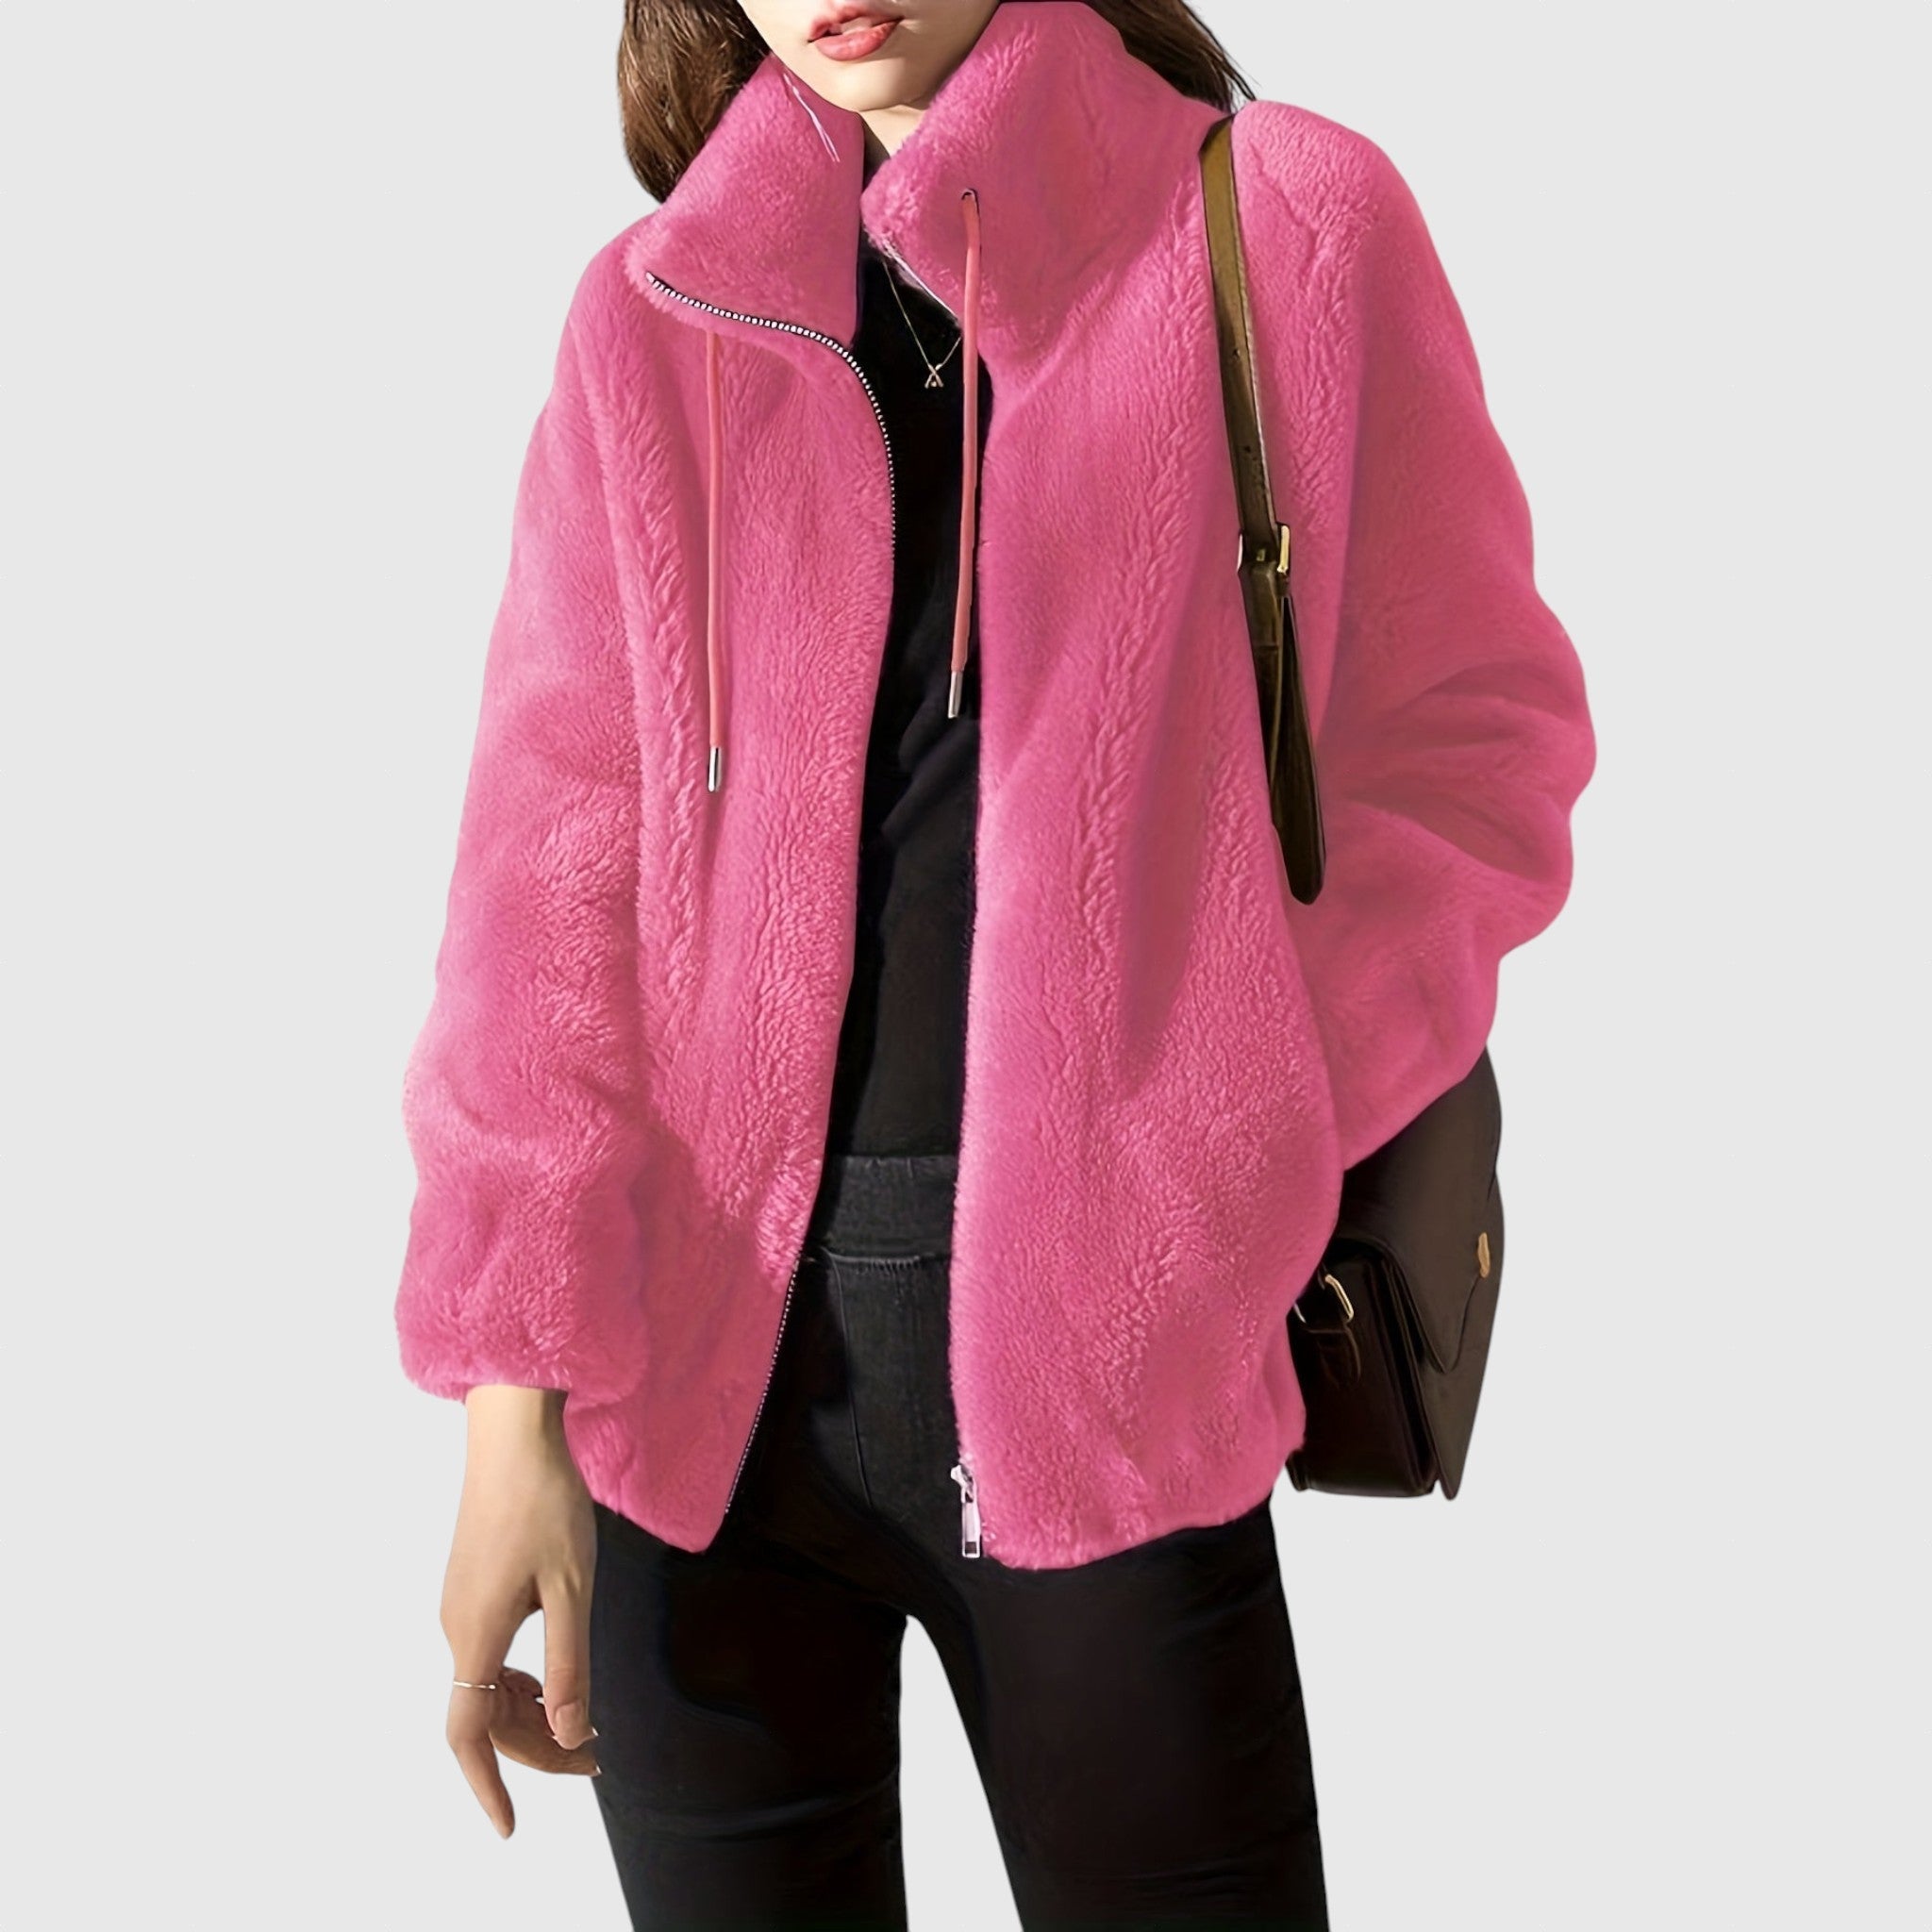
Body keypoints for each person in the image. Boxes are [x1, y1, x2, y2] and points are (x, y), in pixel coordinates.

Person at [394, 3, 1596, 1924]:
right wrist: (509, 1409)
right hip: (697, 1410)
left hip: (1108, 1364)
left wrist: (1229, 1121)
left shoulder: (1282, 219)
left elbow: (1473, 747)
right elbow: (545, 880)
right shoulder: (653, 314)